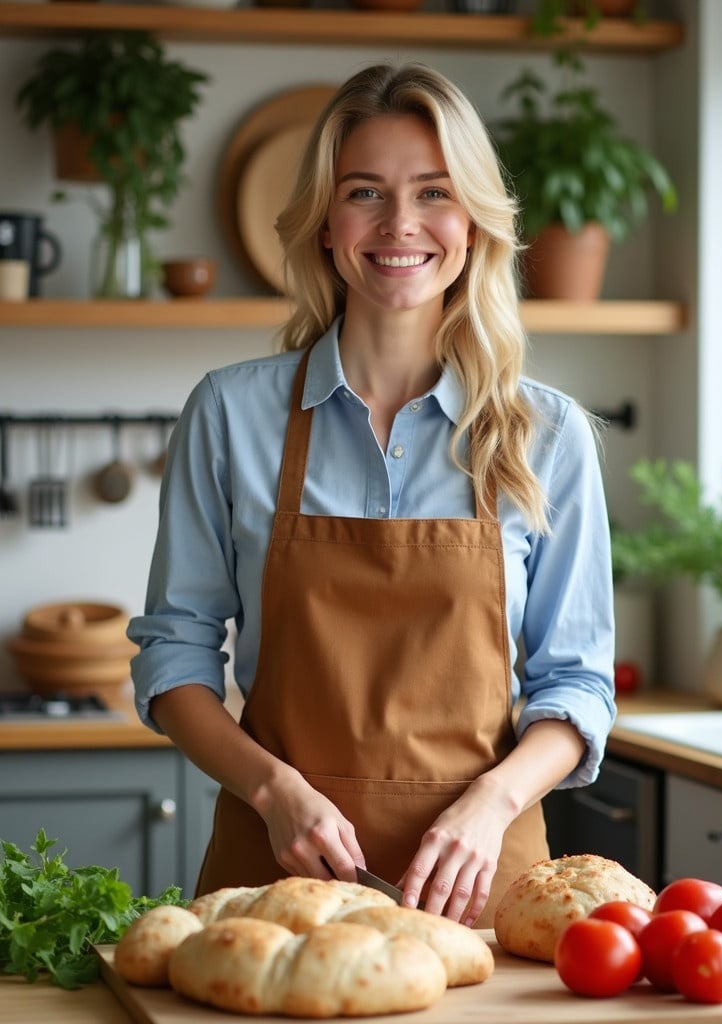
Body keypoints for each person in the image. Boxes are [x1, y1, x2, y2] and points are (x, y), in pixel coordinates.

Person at [128, 61, 615, 930]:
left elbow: (575, 685)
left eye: (434, 192)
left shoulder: (549, 434)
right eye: (365, 192)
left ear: (472, 221)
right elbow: (174, 661)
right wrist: (271, 788)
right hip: (274, 886)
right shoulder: (230, 414)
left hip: (483, 890)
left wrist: (491, 804)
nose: (400, 225)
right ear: (324, 220)